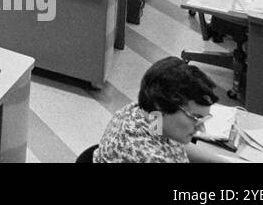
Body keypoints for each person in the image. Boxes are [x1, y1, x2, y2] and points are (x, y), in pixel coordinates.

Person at [92, 58, 220, 163]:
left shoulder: (149, 114)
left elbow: (174, 145)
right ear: (161, 105)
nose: (201, 128)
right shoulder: (151, 157)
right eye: (195, 117)